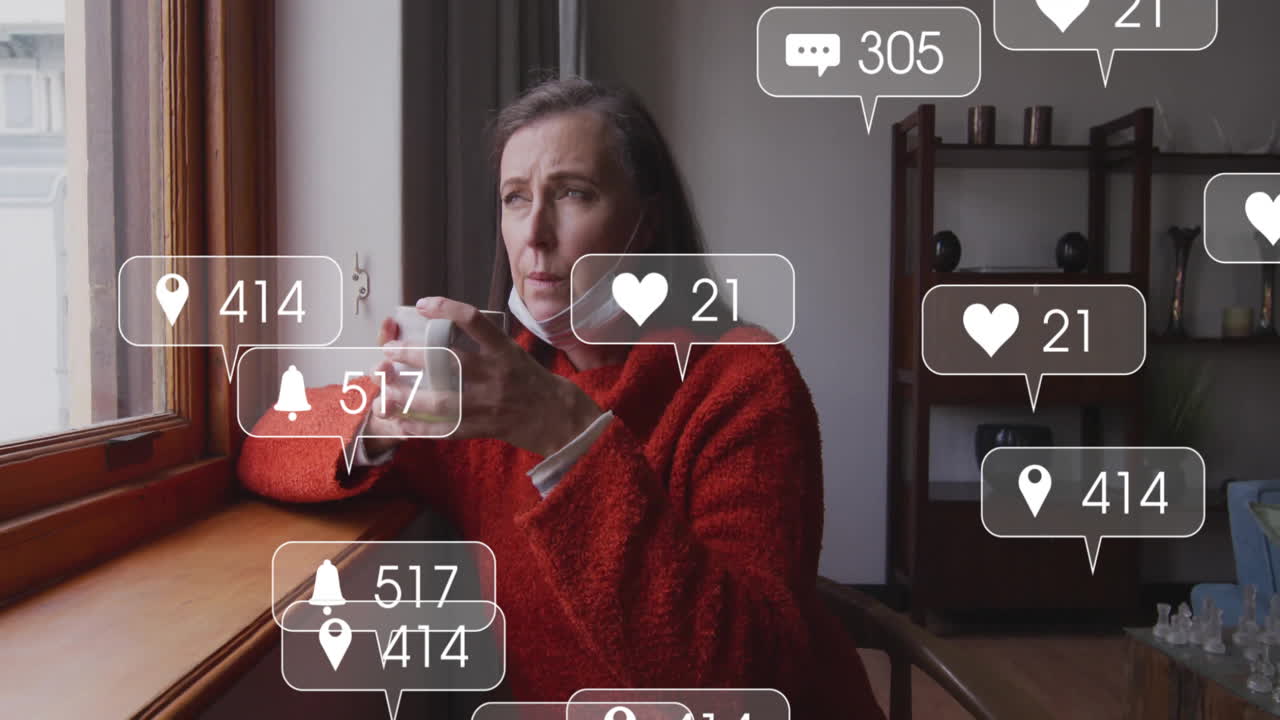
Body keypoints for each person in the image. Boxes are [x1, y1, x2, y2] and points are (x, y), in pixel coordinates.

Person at [240, 77, 883, 718]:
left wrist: (567, 438)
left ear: (647, 219)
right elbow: (269, 441)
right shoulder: (490, 387)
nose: (535, 233)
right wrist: (382, 424)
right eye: (515, 198)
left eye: (574, 193)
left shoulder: (744, 379)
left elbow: (740, 683)